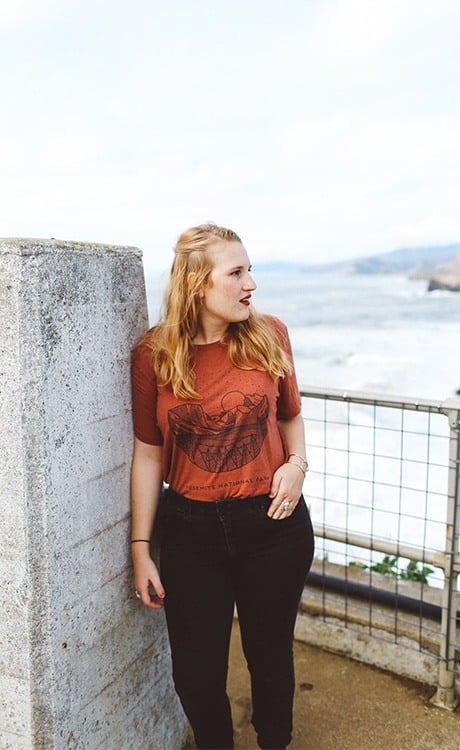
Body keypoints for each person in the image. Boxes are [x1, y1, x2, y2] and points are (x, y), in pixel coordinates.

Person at [130, 223, 315, 750]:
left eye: (249, 269)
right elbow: (148, 453)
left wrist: (298, 465)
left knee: (271, 659)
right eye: (236, 272)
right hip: (190, 531)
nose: (250, 283)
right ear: (196, 285)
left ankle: (273, 744)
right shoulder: (154, 357)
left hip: (274, 524)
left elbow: (291, 418)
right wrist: (141, 549)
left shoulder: (269, 334)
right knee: (195, 674)